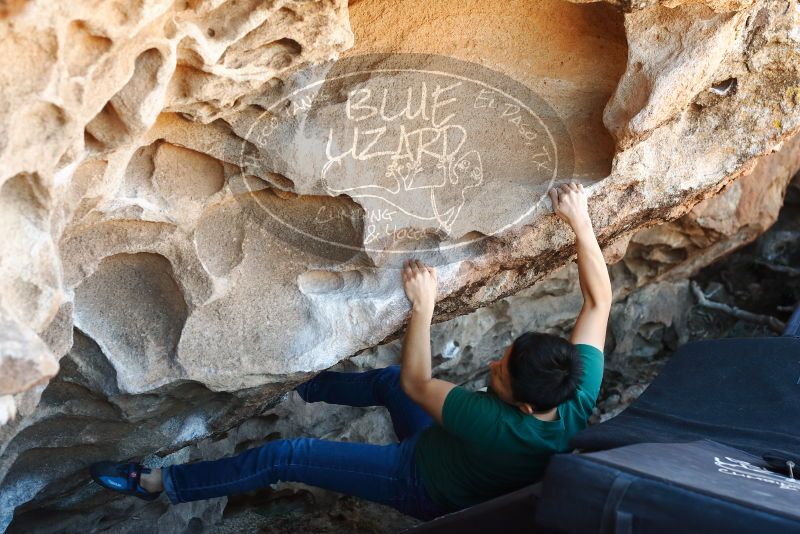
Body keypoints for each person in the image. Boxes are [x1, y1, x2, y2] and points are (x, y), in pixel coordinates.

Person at [90, 182, 612, 520]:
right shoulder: (574, 384)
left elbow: (418, 385)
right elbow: (598, 299)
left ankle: (162, 483)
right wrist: (580, 222)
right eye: (505, 355)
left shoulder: (498, 424)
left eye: (500, 372)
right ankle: (299, 384)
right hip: (448, 446)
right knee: (384, 383)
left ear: (522, 405)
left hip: (424, 483)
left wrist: (423, 309)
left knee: (285, 456)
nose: (494, 363)